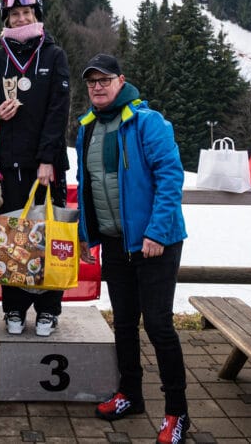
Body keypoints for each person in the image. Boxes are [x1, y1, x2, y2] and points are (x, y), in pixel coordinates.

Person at [75, 54, 189, 443]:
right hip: (114, 243)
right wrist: (86, 235)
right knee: (123, 322)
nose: (97, 87)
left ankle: (177, 412)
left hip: (156, 243)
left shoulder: (147, 122)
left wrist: (156, 232)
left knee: (158, 326)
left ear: (121, 81)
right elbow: (87, 185)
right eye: (92, 82)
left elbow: (171, 178)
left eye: (104, 80)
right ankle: (130, 394)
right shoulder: (87, 127)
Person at [0, 0, 70, 337]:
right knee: (12, 239)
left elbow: (59, 111)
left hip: (46, 165)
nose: (20, 18)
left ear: (36, 15)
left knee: (49, 236)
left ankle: (48, 310)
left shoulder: (54, 55)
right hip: (7, 163)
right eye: (14, 14)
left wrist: (47, 159)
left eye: (26, 13)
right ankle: (13, 307)